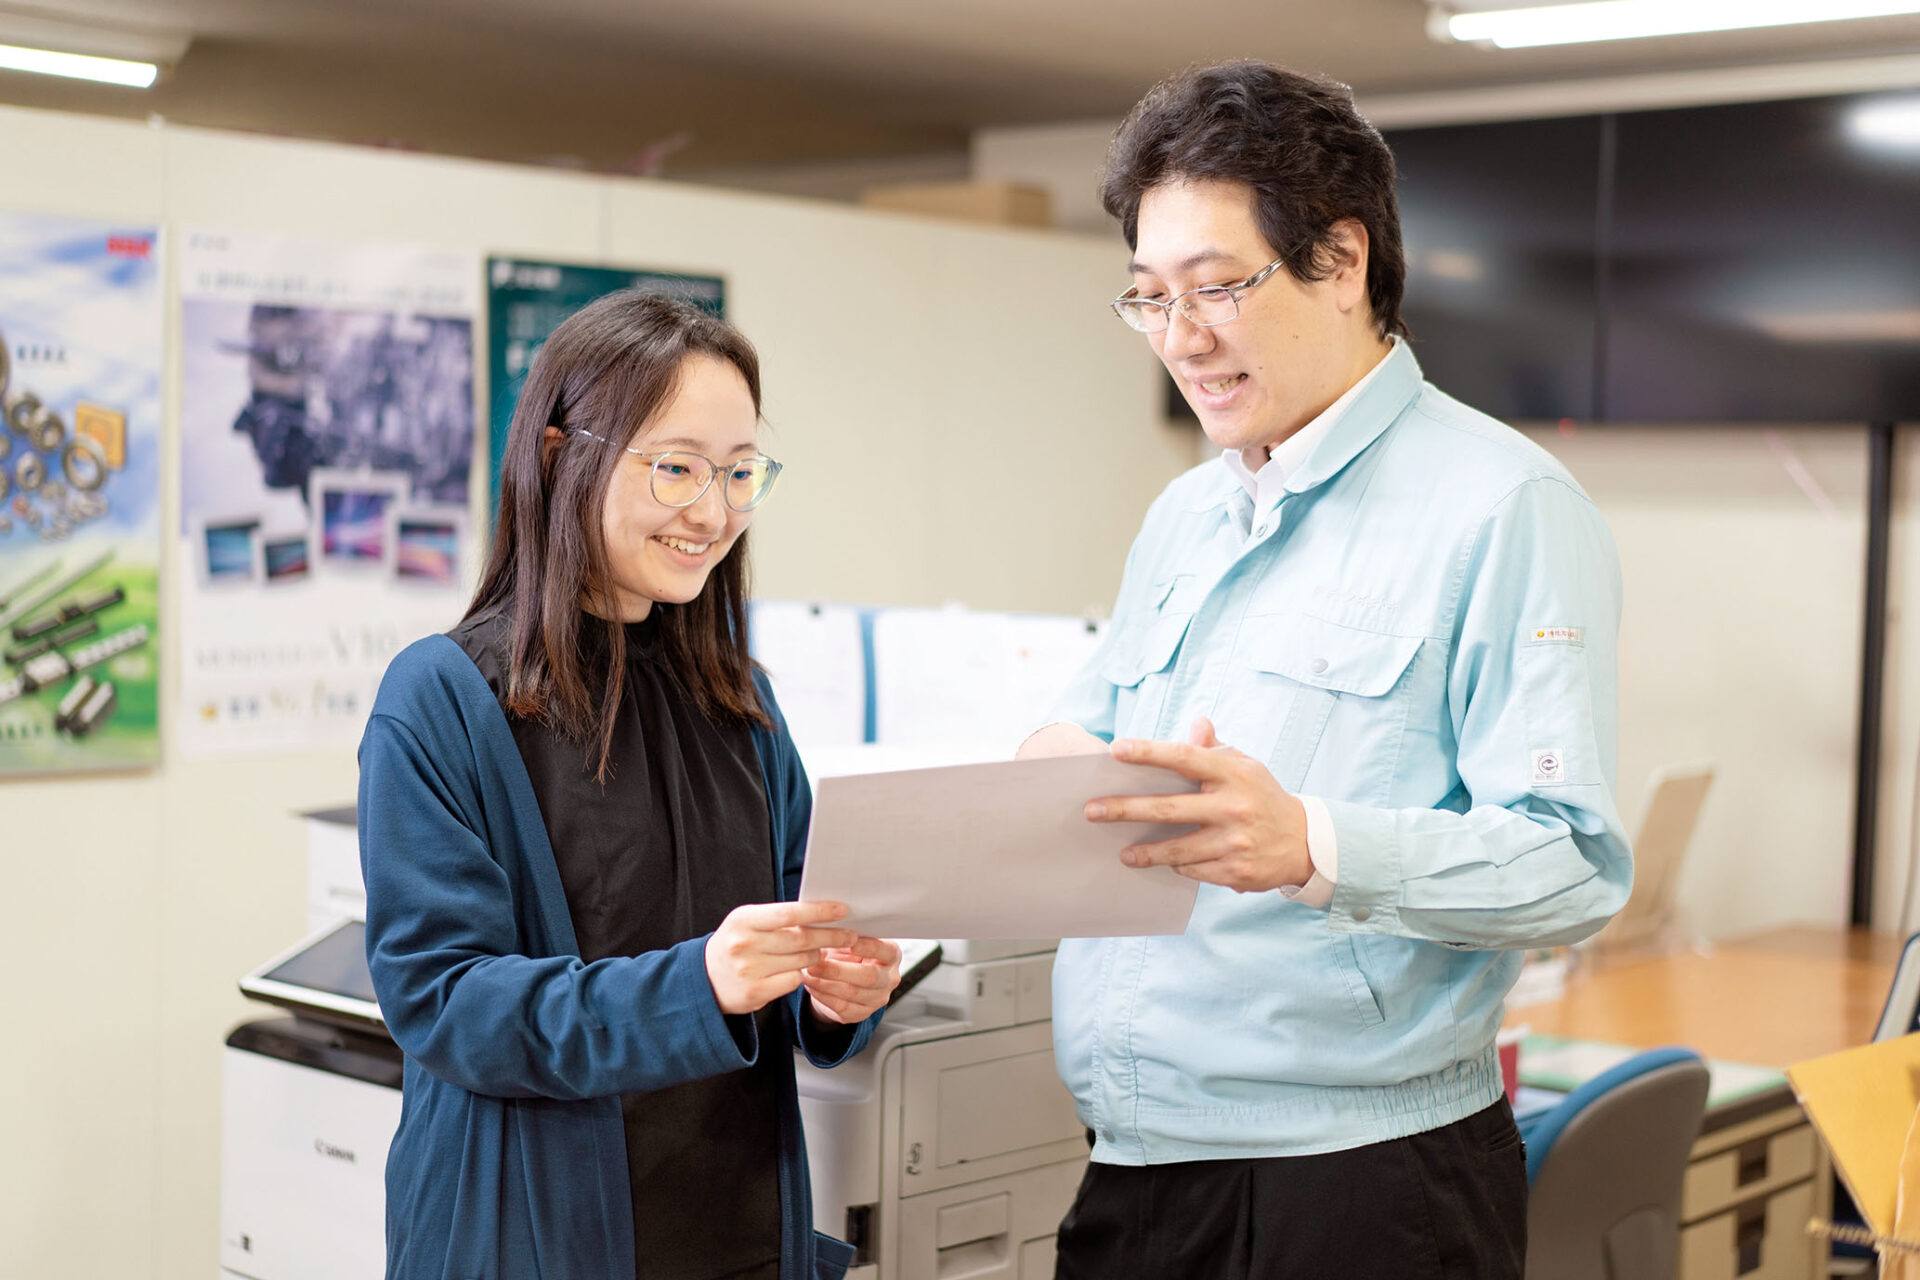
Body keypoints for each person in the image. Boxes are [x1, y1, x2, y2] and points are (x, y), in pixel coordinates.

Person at [1018, 62, 1632, 1280]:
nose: (1180, 338)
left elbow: (1572, 862)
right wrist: (1029, 784)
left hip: (1357, 1189)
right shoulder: (1188, 514)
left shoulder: (1502, 506)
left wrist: (1311, 842)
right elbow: (1089, 741)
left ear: (1340, 261)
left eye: (1216, 288)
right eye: (1148, 297)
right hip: (1135, 1165)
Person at [358, 290, 900, 1280]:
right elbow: (442, 1000)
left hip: (737, 1230)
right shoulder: (441, 697)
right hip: (529, 1238)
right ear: (564, 453)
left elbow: (797, 937)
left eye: (741, 472)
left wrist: (837, 992)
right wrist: (698, 982)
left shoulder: (743, 703)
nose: (714, 509)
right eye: (677, 467)